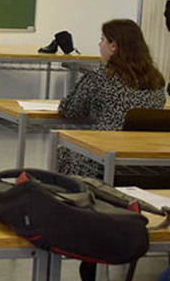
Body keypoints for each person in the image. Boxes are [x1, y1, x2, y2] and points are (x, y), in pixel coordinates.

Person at [56, 19, 167, 177]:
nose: (99, 44)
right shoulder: (156, 81)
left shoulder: (101, 76)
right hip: (145, 165)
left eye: (102, 39)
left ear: (113, 46)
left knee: (62, 152)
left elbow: (70, 110)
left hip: (102, 162)